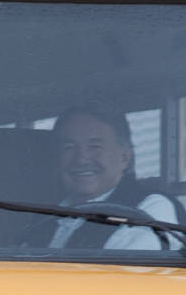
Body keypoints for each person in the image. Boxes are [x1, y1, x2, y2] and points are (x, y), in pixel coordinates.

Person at [50, 103, 179, 253]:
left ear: (124, 157)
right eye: (69, 147)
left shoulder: (148, 209)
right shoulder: (46, 216)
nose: (81, 159)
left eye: (95, 146)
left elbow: (120, 273)